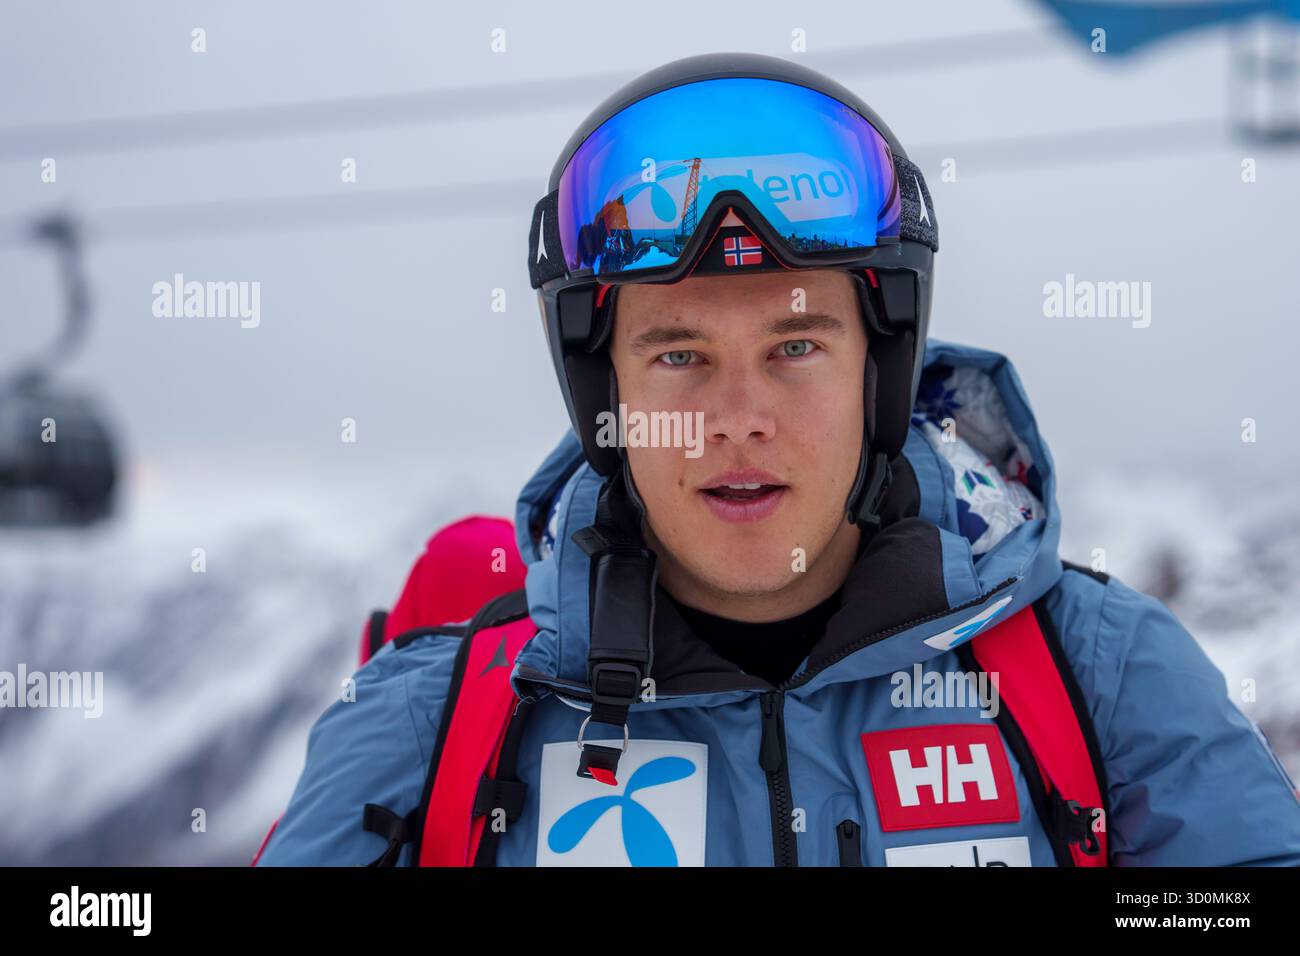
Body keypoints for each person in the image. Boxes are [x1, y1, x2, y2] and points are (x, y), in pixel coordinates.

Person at [256, 52, 1300, 867]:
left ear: (879, 375)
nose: (738, 416)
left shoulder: (1103, 675)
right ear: (604, 393)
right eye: (678, 354)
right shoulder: (432, 718)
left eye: (796, 346)